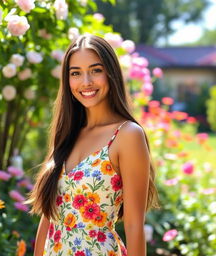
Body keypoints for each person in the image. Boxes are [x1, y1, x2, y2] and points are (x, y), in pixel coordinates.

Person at [27, 34, 159, 256]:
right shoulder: (67, 133)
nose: (86, 82)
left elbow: (135, 227)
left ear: (111, 73)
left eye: (95, 70)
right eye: (76, 73)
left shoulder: (127, 135)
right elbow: (48, 217)